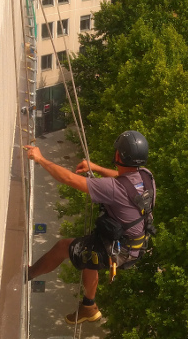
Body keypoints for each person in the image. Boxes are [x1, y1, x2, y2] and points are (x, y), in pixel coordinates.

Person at [25, 131, 156, 325]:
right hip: (135, 245)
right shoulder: (146, 176)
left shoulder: (113, 188)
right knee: (90, 249)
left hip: (120, 248)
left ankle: (27, 275)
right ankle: (88, 305)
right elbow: (123, 177)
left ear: (118, 156)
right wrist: (95, 167)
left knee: (64, 247)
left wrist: (40, 158)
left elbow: (69, 179)